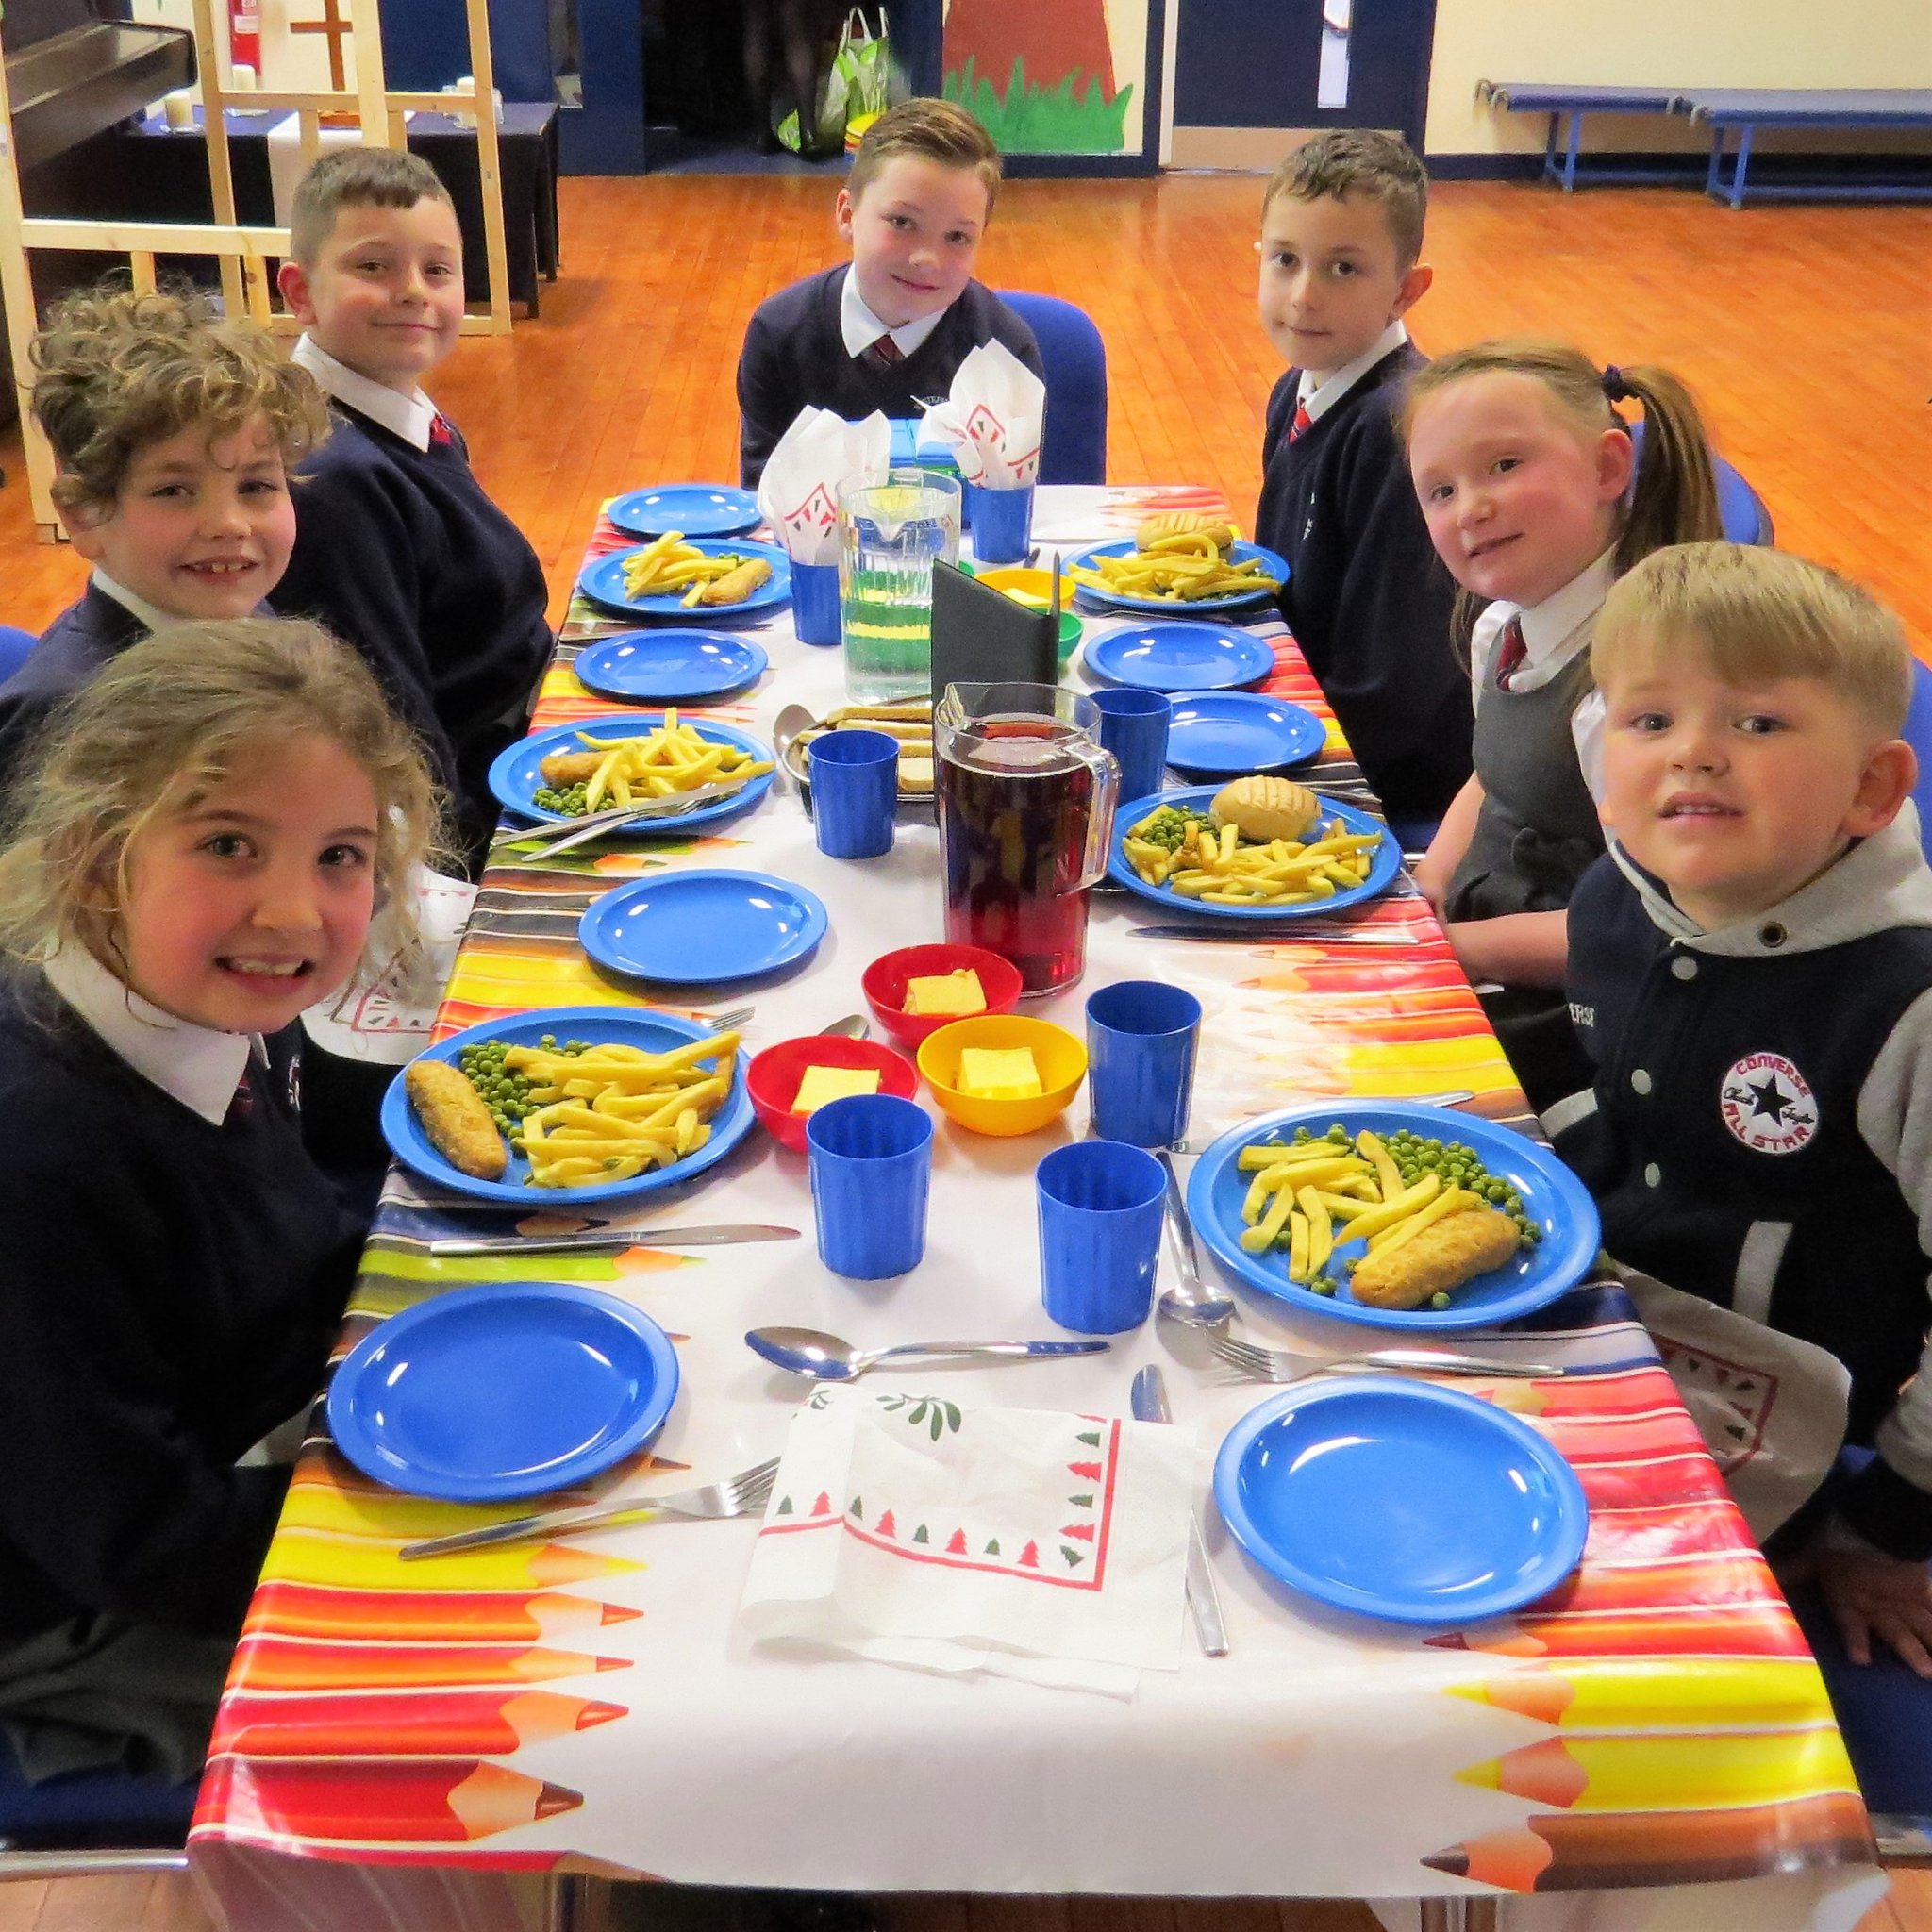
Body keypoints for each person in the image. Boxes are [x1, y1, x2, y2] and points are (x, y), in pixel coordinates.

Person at [0, 617, 442, 1784]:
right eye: (231, 845)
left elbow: (273, 1237)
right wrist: (417, 1510)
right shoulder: (41, 1158)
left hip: (240, 1438)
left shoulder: (203, 1003)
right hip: (82, 1606)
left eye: (340, 856)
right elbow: (135, 1540)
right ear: (99, 854)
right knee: (516, 1671)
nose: (293, 913)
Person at [1554, 542, 1932, 1693]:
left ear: (1869, 790)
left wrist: (1889, 1522)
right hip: (1594, 1318)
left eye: (1757, 725)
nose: (1693, 751)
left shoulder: (1903, 1008)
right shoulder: (1615, 897)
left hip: (1771, 1413)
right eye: (1648, 718)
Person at [1404, 339, 1723, 1108]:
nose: (1471, 506)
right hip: (1478, 946)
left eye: (1504, 467)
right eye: (1440, 491)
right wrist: (1431, 886)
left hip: (1574, 1021)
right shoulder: (1502, 624)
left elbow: (1655, 924)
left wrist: (1454, 949)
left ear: (1609, 469)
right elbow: (1494, 772)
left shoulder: (1627, 694)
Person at [274, 146, 551, 870]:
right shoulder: (335, 478)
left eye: (437, 269)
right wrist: (472, 884)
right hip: (485, 807)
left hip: (525, 732)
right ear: (300, 292)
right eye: (372, 267)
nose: (412, 291)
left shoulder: (401, 413)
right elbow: (389, 720)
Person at [0, 285, 328, 800]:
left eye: (256, 486)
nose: (229, 525)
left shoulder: (249, 618)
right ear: (84, 516)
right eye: (174, 491)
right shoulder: (62, 717)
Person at [1251, 130, 1465, 828]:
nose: (1303, 296)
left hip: (1379, 779)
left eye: (1343, 269)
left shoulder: (1397, 429)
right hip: (1305, 710)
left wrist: (1270, 760)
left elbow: (1392, 689)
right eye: (1284, 260)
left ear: (1407, 290)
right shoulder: (1297, 387)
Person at [735, 97, 1043, 488]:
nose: (927, 258)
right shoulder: (779, 335)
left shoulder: (1005, 352)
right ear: (848, 215)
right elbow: (765, 505)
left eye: (957, 236)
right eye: (902, 222)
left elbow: (1012, 509)